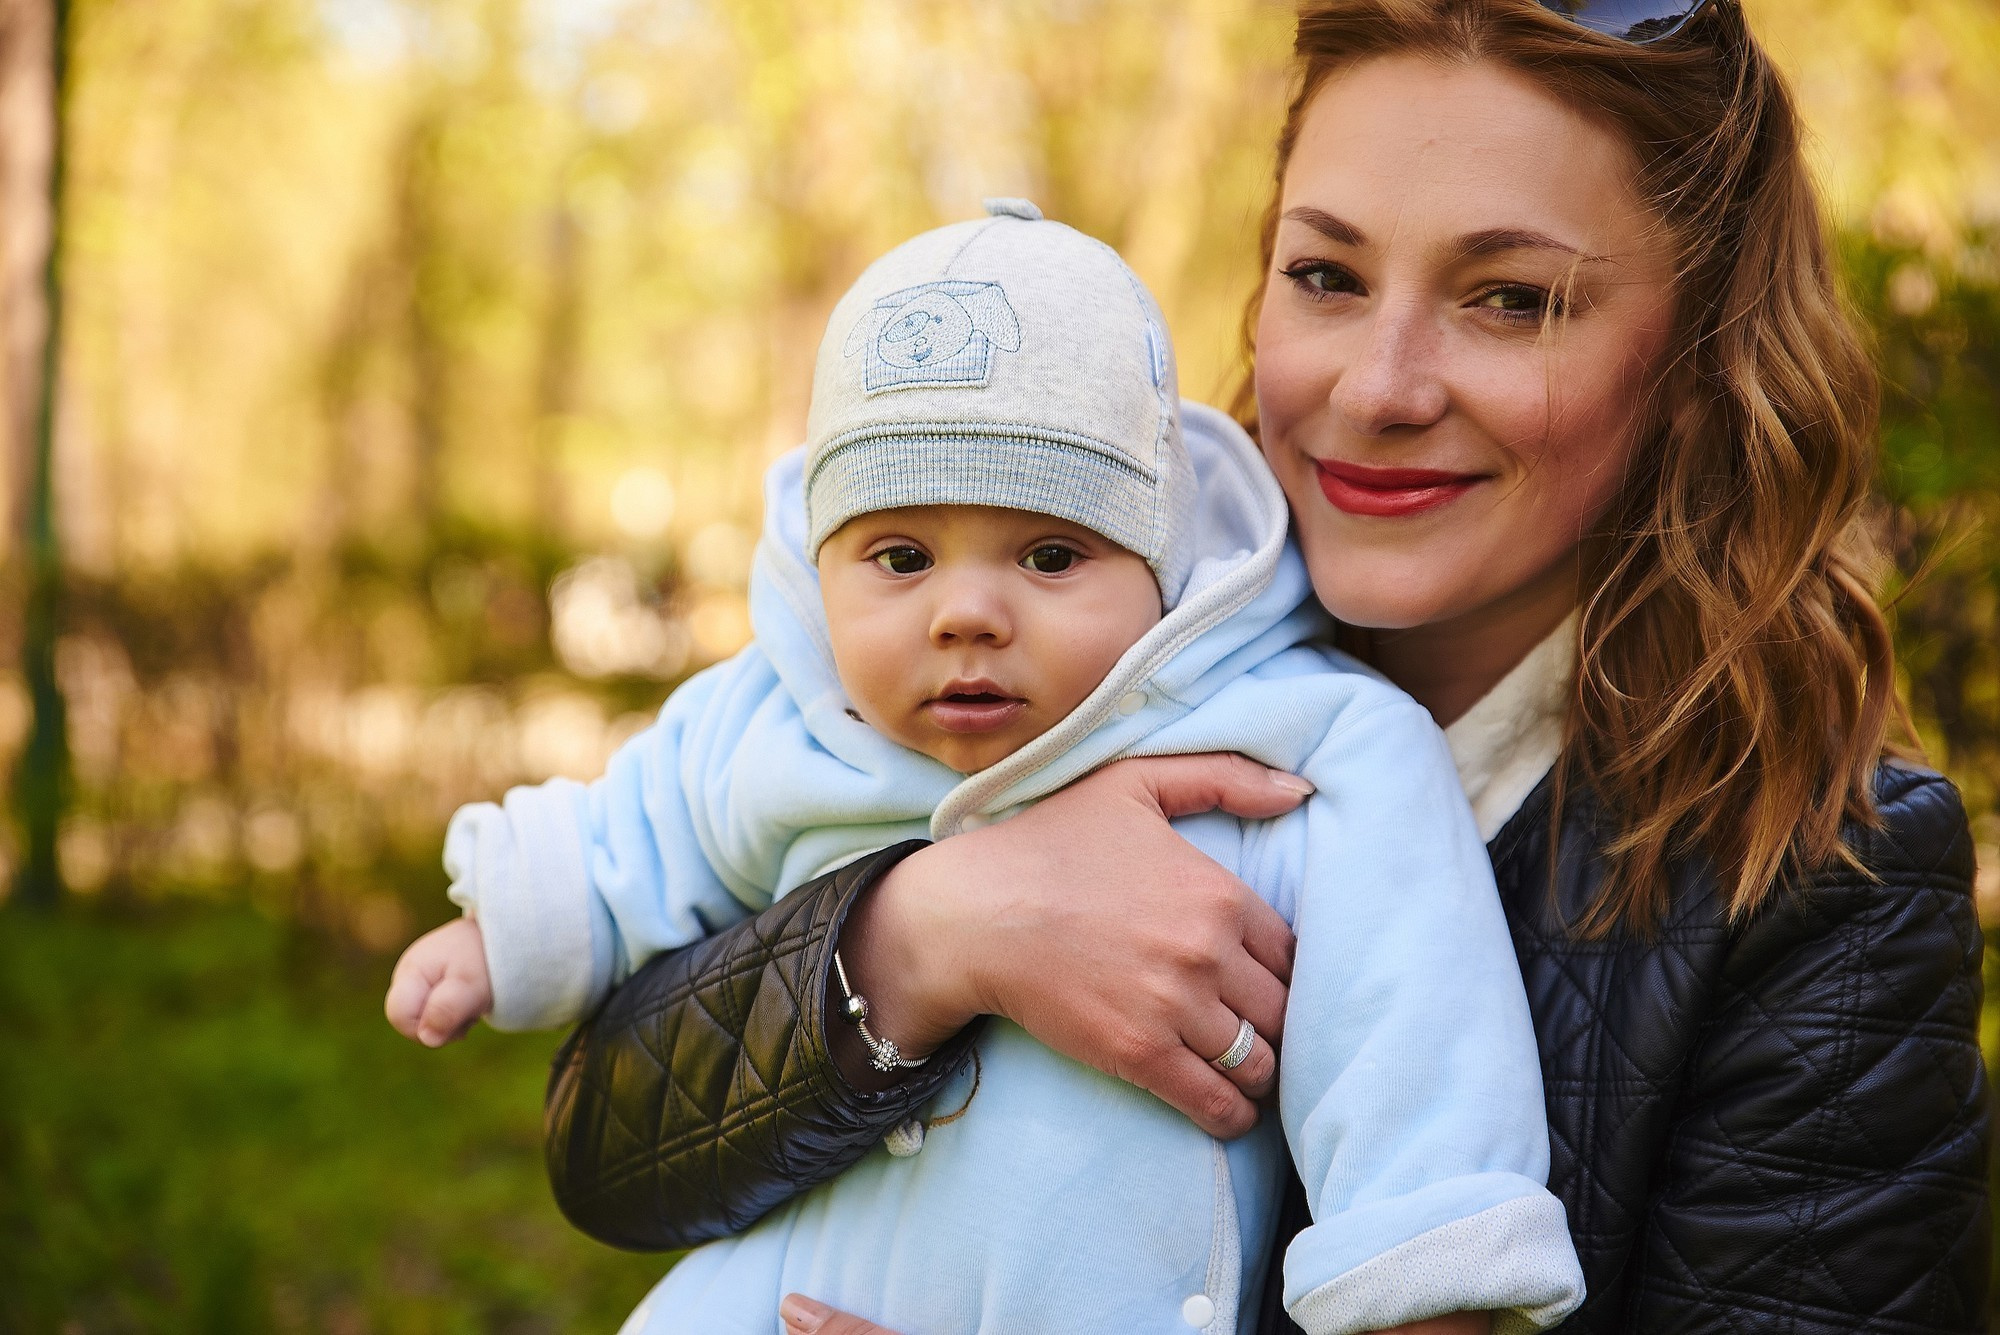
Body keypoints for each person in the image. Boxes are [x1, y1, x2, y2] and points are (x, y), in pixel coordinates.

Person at [541, 1, 1992, 1331]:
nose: (1379, 385)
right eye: (1326, 276)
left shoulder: (1830, 890)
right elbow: (605, 1152)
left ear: (1696, 357)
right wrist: (927, 931)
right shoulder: (1046, 659)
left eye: (1511, 298)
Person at [386, 205, 1586, 1333]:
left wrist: (1424, 1277)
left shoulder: (1294, 737)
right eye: (900, 557)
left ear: (1162, 567)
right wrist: (508, 925)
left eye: (1050, 556)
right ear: (820, 568)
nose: (965, 613)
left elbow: (1407, 1038)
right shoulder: (783, 718)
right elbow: (634, 833)